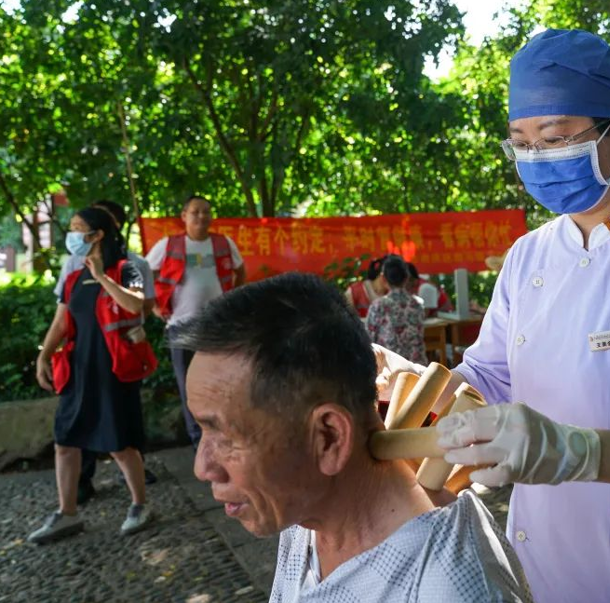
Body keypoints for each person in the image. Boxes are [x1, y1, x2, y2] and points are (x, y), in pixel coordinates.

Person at [379, 29, 610, 602]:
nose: (536, 159)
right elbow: (490, 377)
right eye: (521, 144)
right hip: (539, 542)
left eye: (554, 139)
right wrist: (409, 384)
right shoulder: (528, 255)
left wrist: (574, 452)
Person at [173, 272, 531, 602]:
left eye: (225, 436)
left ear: (329, 438)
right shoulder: (304, 514)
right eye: (202, 430)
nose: (203, 468)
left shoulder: (450, 590)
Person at [31, 207, 158, 543]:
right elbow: (61, 321)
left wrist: (102, 276)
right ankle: (67, 512)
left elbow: (135, 305)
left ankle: (140, 505)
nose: (72, 234)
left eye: (78, 228)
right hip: (78, 368)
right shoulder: (74, 275)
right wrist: (44, 355)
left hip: (114, 369)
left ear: (98, 234)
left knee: (119, 444)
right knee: (65, 441)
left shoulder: (128, 268)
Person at [147, 195, 245, 447]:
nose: (202, 216)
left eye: (206, 212)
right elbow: (143, 270)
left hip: (217, 325)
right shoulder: (169, 245)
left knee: (221, 383)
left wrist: (232, 301)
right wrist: (154, 305)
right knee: (188, 386)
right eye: (195, 212)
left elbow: (240, 270)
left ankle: (224, 437)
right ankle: (198, 442)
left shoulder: (223, 243)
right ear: (184, 216)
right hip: (181, 326)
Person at [366, 255, 428, 366]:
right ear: (407, 277)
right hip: (417, 367)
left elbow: (369, 340)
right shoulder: (418, 304)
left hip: (390, 367)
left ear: (383, 278)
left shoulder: (378, 305)